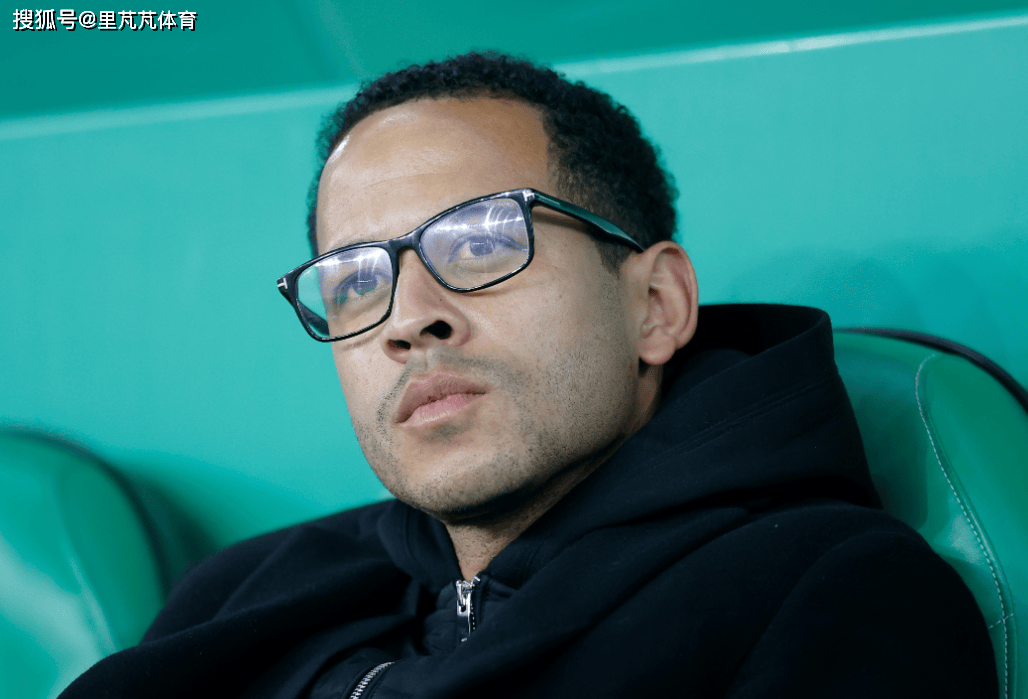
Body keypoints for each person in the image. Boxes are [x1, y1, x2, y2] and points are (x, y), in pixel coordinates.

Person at [61, 52, 996, 698]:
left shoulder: (828, 592)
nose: (408, 317)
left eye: (480, 241)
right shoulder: (245, 593)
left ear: (656, 304)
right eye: (355, 281)